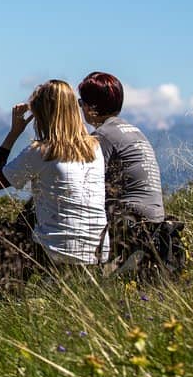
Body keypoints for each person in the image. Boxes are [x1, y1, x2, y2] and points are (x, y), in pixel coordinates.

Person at [0, 79, 109, 266]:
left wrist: (14, 133)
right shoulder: (95, 148)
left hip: (55, 252)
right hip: (98, 254)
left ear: (43, 115)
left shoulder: (42, 151)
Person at [77, 71, 179, 275]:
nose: (81, 108)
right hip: (155, 222)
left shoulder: (102, 136)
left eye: (82, 103)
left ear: (91, 106)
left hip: (130, 222)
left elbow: (83, 184)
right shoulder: (133, 130)